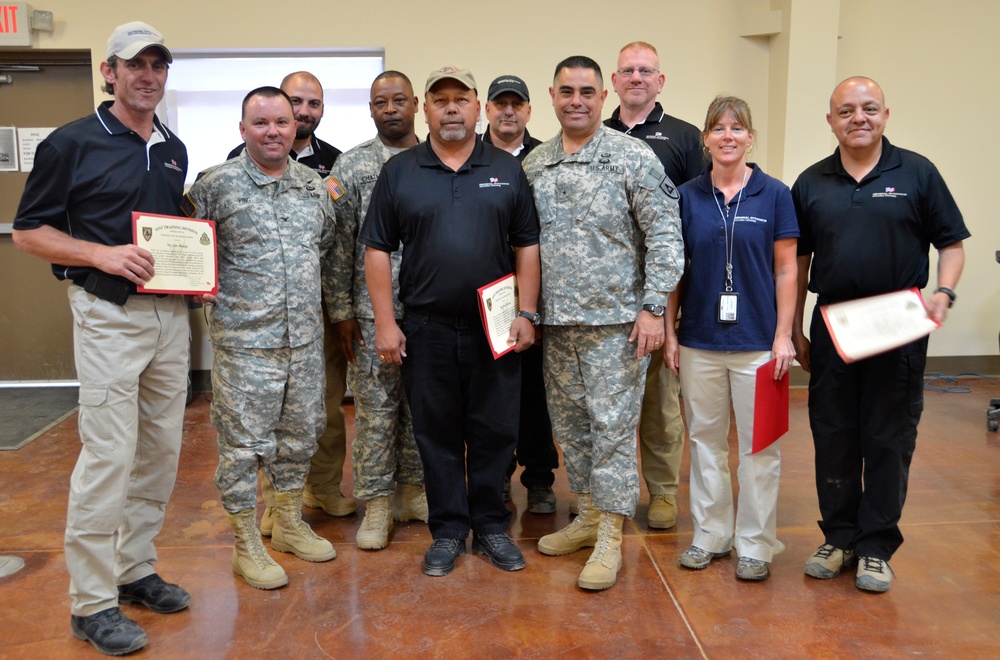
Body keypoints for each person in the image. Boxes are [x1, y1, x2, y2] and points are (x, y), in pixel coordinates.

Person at [12, 21, 190, 656]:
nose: (148, 76)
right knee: (109, 455)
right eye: (134, 65)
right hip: (107, 314)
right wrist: (101, 255)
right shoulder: (72, 143)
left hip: (171, 316)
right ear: (108, 73)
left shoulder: (173, 148)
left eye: (158, 66)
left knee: (161, 451)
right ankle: (91, 603)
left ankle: (134, 568)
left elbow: (171, 231)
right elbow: (29, 232)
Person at [360, 66, 541, 578]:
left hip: (496, 328)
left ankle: (489, 526)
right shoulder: (401, 171)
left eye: (461, 99)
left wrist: (527, 311)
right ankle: (447, 530)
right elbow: (376, 249)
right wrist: (385, 323)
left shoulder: (506, 169)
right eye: (441, 100)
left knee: (494, 431)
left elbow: (527, 244)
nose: (452, 109)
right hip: (426, 328)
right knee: (435, 435)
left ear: (478, 106)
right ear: (427, 108)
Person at [792, 76, 968, 593]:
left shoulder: (917, 172)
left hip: (899, 325)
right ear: (830, 121)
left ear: (886, 115)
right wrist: (795, 327)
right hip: (834, 326)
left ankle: (875, 546)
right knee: (833, 433)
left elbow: (952, 244)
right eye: (845, 111)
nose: (858, 118)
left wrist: (945, 292)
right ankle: (839, 537)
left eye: (869, 108)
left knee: (889, 437)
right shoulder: (811, 182)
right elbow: (798, 262)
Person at [523, 56, 684, 591]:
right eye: (566, 90)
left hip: (617, 325)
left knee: (614, 432)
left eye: (587, 91)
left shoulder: (632, 158)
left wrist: (654, 307)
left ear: (602, 95)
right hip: (557, 324)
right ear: (552, 94)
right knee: (572, 429)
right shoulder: (536, 164)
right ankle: (588, 514)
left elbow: (665, 234)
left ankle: (611, 536)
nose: (576, 100)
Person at [185, 86, 337, 591]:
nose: (273, 132)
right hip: (246, 345)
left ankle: (289, 523)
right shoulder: (215, 186)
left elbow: (326, 247)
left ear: (295, 127)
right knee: (243, 447)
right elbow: (184, 248)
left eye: (282, 122)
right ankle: (245, 542)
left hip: (304, 343)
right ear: (243, 129)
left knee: (299, 438)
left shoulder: (314, 187)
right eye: (261, 123)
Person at [665, 96, 798, 581]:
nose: (727, 136)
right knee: (704, 442)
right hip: (699, 341)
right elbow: (674, 271)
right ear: (705, 139)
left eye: (736, 128)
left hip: (760, 344)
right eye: (718, 128)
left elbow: (787, 269)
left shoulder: (774, 194)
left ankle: (756, 545)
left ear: (750, 137)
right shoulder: (685, 196)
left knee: (760, 448)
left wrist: (783, 336)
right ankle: (711, 536)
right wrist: (670, 333)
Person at [228, 71, 355, 538]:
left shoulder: (332, 166)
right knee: (263, 415)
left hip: (314, 311)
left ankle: (320, 487)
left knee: (319, 408)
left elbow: (335, 241)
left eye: (312, 104)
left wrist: (340, 310)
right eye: (294, 104)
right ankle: (278, 503)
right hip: (256, 322)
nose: (302, 113)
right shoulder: (231, 169)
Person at [325, 71, 427, 551]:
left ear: (416, 105)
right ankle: (377, 503)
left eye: (399, 100)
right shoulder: (354, 166)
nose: (390, 108)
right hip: (370, 315)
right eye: (380, 102)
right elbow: (339, 246)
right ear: (370, 110)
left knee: (421, 409)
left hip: (429, 309)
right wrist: (343, 310)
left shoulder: (437, 160)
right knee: (375, 412)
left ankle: (412, 491)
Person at [604, 41, 704, 529]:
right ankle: (606, 498)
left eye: (647, 71)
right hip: (604, 301)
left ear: (660, 81)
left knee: (661, 406)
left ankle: (663, 493)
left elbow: (697, 224)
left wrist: (674, 309)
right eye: (628, 70)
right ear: (614, 81)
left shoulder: (685, 139)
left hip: (662, 295)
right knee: (606, 411)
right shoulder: (595, 136)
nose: (637, 78)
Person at [481, 74, 559, 515]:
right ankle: (496, 476)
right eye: (500, 103)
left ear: (529, 110)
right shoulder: (470, 155)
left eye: (517, 103)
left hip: (535, 297)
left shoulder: (545, 157)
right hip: (487, 296)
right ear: (486, 109)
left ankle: (540, 478)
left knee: (534, 394)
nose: (508, 111)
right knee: (493, 395)